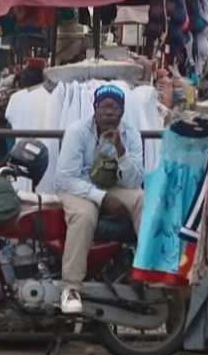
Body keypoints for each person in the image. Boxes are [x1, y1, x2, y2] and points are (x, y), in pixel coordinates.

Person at [54, 84, 144, 315]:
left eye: (115, 107)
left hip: (113, 187)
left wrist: (120, 150)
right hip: (78, 189)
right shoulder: (77, 131)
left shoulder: (130, 133)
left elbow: (134, 181)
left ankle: (145, 269)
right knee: (84, 216)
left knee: (142, 200)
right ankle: (71, 288)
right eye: (104, 106)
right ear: (94, 108)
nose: (109, 112)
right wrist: (102, 199)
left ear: (122, 111)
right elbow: (65, 178)